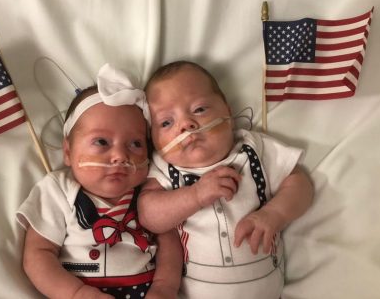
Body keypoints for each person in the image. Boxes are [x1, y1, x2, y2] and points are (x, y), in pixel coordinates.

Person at [137, 61, 314, 298]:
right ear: (153, 139)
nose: (186, 125)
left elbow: (300, 185)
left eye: (199, 109)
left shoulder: (253, 149)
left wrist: (275, 214)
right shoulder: (165, 167)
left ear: (228, 112)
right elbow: (149, 216)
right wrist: (196, 195)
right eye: (166, 123)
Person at [17, 64, 183, 299]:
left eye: (135, 144)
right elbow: (37, 255)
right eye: (102, 142)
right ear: (68, 152)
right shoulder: (58, 190)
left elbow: (169, 242)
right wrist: (77, 293)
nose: (120, 156)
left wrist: (165, 287)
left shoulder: (149, 189)